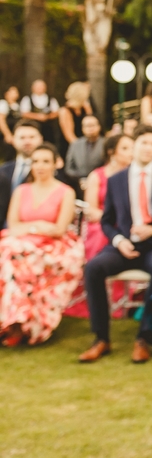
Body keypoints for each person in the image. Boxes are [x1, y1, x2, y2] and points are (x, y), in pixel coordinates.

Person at [78, 126, 152, 363]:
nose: (149, 148)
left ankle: (144, 337)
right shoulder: (116, 180)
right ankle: (101, 338)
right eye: (144, 142)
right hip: (124, 245)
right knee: (93, 268)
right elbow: (107, 221)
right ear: (134, 145)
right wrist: (119, 241)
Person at [0, 143, 80, 346]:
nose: (40, 166)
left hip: (53, 247)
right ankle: (13, 320)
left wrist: (28, 229)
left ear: (55, 164)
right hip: (20, 245)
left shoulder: (65, 192)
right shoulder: (22, 190)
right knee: (9, 253)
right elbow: (13, 224)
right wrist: (37, 226)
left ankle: (20, 323)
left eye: (45, 161)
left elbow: (59, 229)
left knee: (12, 255)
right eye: (35, 161)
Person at [65, 133, 136, 320]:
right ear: (112, 152)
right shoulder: (97, 175)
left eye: (132, 148)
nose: (131, 152)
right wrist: (109, 220)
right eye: (125, 148)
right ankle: (99, 291)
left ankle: (126, 293)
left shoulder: (135, 175)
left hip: (128, 224)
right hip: (102, 222)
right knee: (101, 234)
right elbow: (91, 209)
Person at [0, 119, 45, 229]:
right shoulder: (3, 170)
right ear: (13, 140)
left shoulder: (50, 172)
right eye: (22, 138)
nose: (27, 141)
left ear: (41, 139)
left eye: (31, 137)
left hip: (34, 228)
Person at [65, 115, 105, 186]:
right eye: (87, 126)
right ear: (82, 128)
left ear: (99, 126)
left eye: (92, 125)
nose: (90, 128)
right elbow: (69, 168)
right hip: (79, 183)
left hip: (101, 182)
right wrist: (80, 180)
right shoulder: (75, 144)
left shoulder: (105, 143)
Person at [20, 79, 60, 145]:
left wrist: (47, 117)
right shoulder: (27, 99)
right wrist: (38, 117)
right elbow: (24, 113)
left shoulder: (51, 99)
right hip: (32, 127)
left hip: (48, 129)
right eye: (38, 87)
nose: (40, 89)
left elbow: (56, 112)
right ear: (32, 88)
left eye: (41, 87)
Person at [58, 81, 94, 149]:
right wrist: (82, 148)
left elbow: (91, 122)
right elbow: (69, 135)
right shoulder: (65, 111)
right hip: (71, 147)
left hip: (84, 143)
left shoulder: (84, 108)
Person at [0, 85, 21, 162]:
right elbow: (1, 120)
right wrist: (7, 134)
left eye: (16, 92)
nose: (15, 94)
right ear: (6, 94)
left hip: (15, 133)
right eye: (12, 92)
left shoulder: (17, 106)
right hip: (5, 134)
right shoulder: (3, 104)